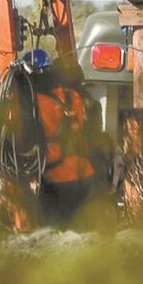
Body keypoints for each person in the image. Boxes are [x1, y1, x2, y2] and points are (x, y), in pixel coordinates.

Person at [24, 50, 96, 224]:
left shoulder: (35, 104)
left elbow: (23, 139)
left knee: (56, 234)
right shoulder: (74, 96)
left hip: (57, 180)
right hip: (85, 174)